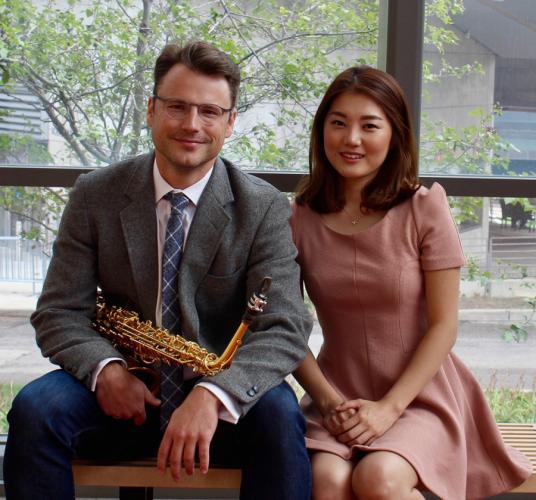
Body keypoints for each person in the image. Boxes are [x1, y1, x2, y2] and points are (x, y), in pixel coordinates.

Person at [4, 41, 312, 500]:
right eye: (177, 107)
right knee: (35, 410)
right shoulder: (95, 194)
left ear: (230, 123)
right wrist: (107, 371)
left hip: (218, 405)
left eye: (210, 111)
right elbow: (58, 311)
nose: (192, 124)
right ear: (151, 110)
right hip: (121, 397)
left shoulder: (263, 206)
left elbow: (284, 326)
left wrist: (213, 395)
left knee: (281, 417)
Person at [291, 66, 532, 500]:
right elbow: (284, 326)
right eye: (338, 123)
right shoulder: (299, 217)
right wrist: (328, 402)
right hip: (336, 398)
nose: (351, 139)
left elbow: (444, 325)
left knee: (379, 478)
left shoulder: (425, 207)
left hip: (420, 398)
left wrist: (389, 409)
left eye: (370, 126)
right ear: (321, 130)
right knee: (327, 482)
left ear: (395, 135)